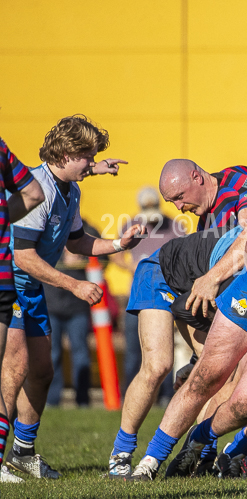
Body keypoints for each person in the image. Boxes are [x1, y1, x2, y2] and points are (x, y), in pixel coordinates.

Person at [108, 159, 247, 479]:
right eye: (171, 202)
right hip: (158, 275)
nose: (178, 207)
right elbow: (207, 271)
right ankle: (121, 454)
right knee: (158, 365)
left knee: (218, 373)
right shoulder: (211, 214)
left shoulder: (236, 188)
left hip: (195, 286)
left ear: (196, 177)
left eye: (178, 196)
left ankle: (201, 452)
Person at [2, 115, 145, 480]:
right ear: (67, 153)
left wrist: (118, 244)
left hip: (30, 289)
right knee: (13, 371)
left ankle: (22, 453)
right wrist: (74, 285)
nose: (92, 164)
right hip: (11, 284)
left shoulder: (71, 191)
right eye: (88, 156)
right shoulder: (38, 188)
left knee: (42, 371)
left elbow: (77, 241)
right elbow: (23, 255)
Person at [112, 186, 186, 398]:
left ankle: (164, 398)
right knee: (134, 352)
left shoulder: (175, 226)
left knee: (164, 351)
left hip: (166, 297)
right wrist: (130, 267)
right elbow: (115, 254)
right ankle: (130, 397)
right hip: (136, 296)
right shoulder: (131, 225)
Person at [0, 138, 44, 483]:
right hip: (6, 279)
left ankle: (19, 453)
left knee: (31, 368)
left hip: (16, 287)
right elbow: (31, 193)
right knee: (13, 368)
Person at [44, 222, 104, 407]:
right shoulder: (47, 227)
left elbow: (102, 264)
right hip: (51, 303)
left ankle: (83, 401)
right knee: (52, 355)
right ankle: (52, 401)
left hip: (79, 306)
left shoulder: (89, 231)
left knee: (80, 354)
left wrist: (83, 259)